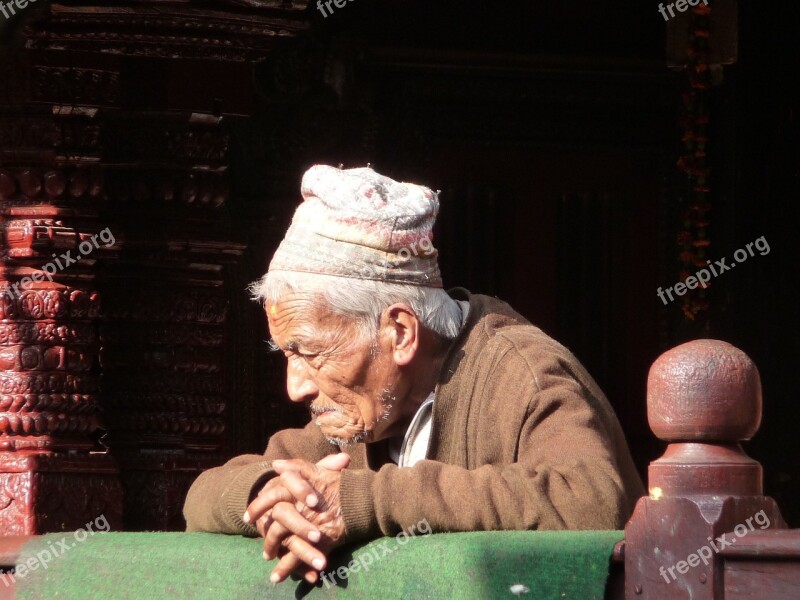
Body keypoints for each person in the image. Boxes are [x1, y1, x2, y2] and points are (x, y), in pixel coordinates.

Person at [183, 164, 645, 585]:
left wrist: (364, 501)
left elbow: (590, 500)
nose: (295, 385)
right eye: (287, 354)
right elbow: (202, 496)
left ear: (400, 333)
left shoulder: (522, 373)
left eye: (310, 353)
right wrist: (272, 497)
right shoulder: (364, 410)